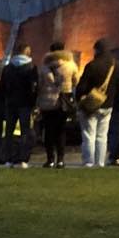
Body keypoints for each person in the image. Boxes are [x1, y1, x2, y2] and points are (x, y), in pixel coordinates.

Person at [75, 39, 118, 167]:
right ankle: (100, 162)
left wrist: (79, 99)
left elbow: (82, 86)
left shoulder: (91, 65)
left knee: (89, 135)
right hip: (108, 104)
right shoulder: (115, 66)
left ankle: (89, 162)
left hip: (91, 105)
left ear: (97, 50)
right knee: (102, 135)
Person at [37, 40, 77, 168]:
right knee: (61, 131)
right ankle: (60, 159)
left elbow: (39, 84)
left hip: (47, 102)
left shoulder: (44, 67)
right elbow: (75, 81)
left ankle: (50, 159)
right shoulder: (71, 65)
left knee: (48, 131)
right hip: (63, 102)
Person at [0, 44, 38, 167]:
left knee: (9, 132)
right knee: (25, 131)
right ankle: (23, 159)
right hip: (25, 104)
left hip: (10, 104)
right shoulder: (31, 68)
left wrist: (5, 100)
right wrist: (34, 103)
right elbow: (34, 88)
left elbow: (2, 87)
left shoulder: (7, 68)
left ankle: (8, 159)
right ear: (27, 51)